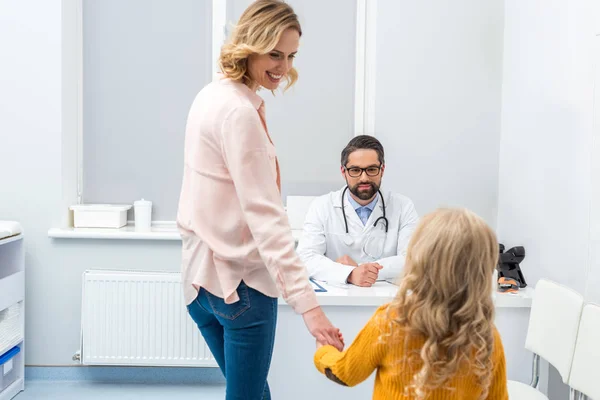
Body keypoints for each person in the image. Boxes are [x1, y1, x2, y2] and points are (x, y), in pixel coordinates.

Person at [176, 1, 343, 399]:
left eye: (291, 56)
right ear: (250, 45)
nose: (283, 67)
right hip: (243, 291)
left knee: (252, 394)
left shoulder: (209, 96)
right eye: (274, 53)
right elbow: (266, 218)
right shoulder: (239, 114)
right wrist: (310, 308)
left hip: (201, 286)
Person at [313, 208, 509, 399]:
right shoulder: (486, 336)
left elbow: (345, 373)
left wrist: (324, 350)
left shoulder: (391, 322)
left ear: (419, 260)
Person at [296, 135, 419, 286]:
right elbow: (306, 258)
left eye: (371, 169)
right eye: (355, 170)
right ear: (343, 171)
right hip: (339, 301)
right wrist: (349, 275)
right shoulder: (322, 206)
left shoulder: (403, 206)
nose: (364, 178)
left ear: (382, 170)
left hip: (387, 300)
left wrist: (355, 269)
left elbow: (412, 260)